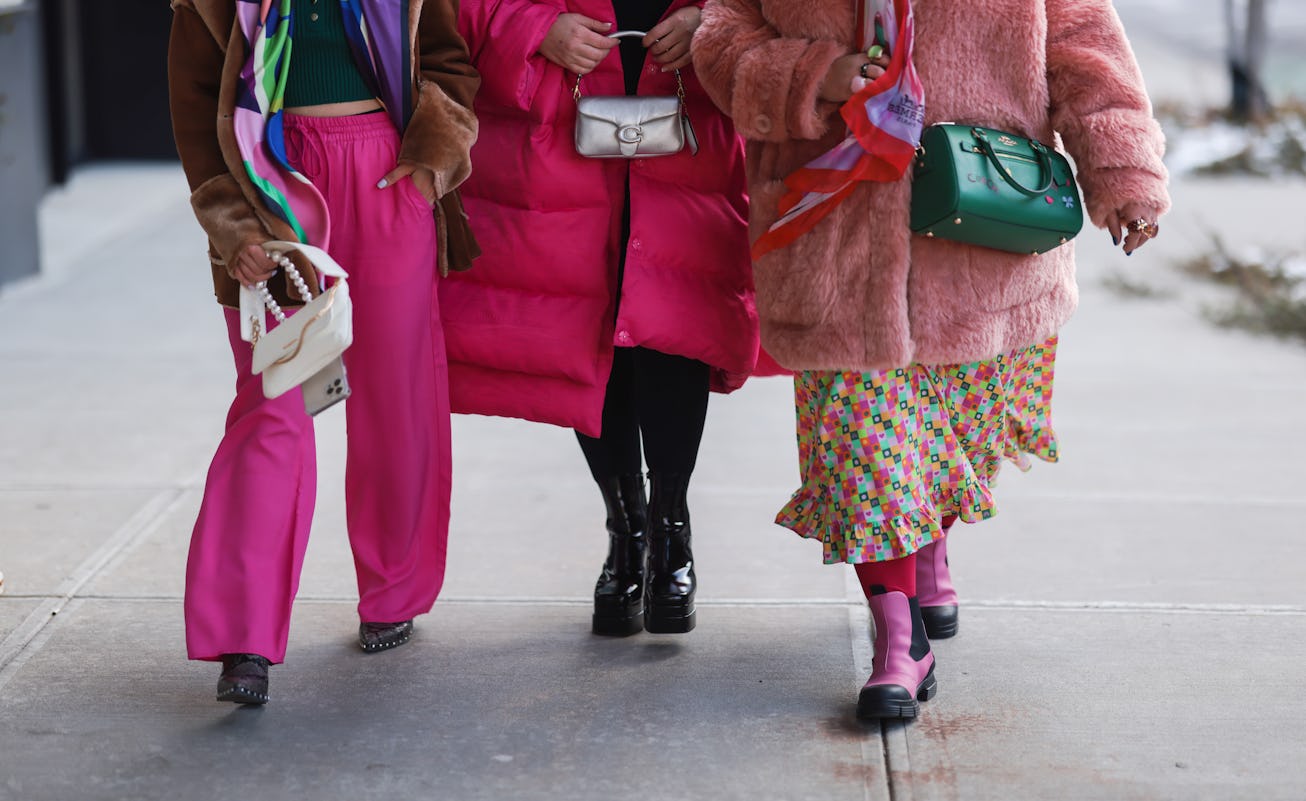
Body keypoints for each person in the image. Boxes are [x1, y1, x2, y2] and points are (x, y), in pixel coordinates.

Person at [693, 0, 1169, 718]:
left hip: (985, 236)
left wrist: (1126, 175)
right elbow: (724, 35)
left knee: (954, 440)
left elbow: (1083, 46)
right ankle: (898, 642)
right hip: (836, 238)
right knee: (866, 458)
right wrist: (816, 75)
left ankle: (928, 544)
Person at [167, 0, 478, 704]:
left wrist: (431, 161)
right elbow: (194, 112)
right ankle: (243, 634)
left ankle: (394, 588)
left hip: (386, 176)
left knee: (394, 394)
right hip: (271, 190)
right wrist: (234, 227)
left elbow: (451, 65)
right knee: (271, 405)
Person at [444, 0, 758, 635]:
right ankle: (627, 530)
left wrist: (713, 22)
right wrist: (536, 29)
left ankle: (672, 534)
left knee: (675, 325)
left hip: (688, 109)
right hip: (564, 123)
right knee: (592, 328)